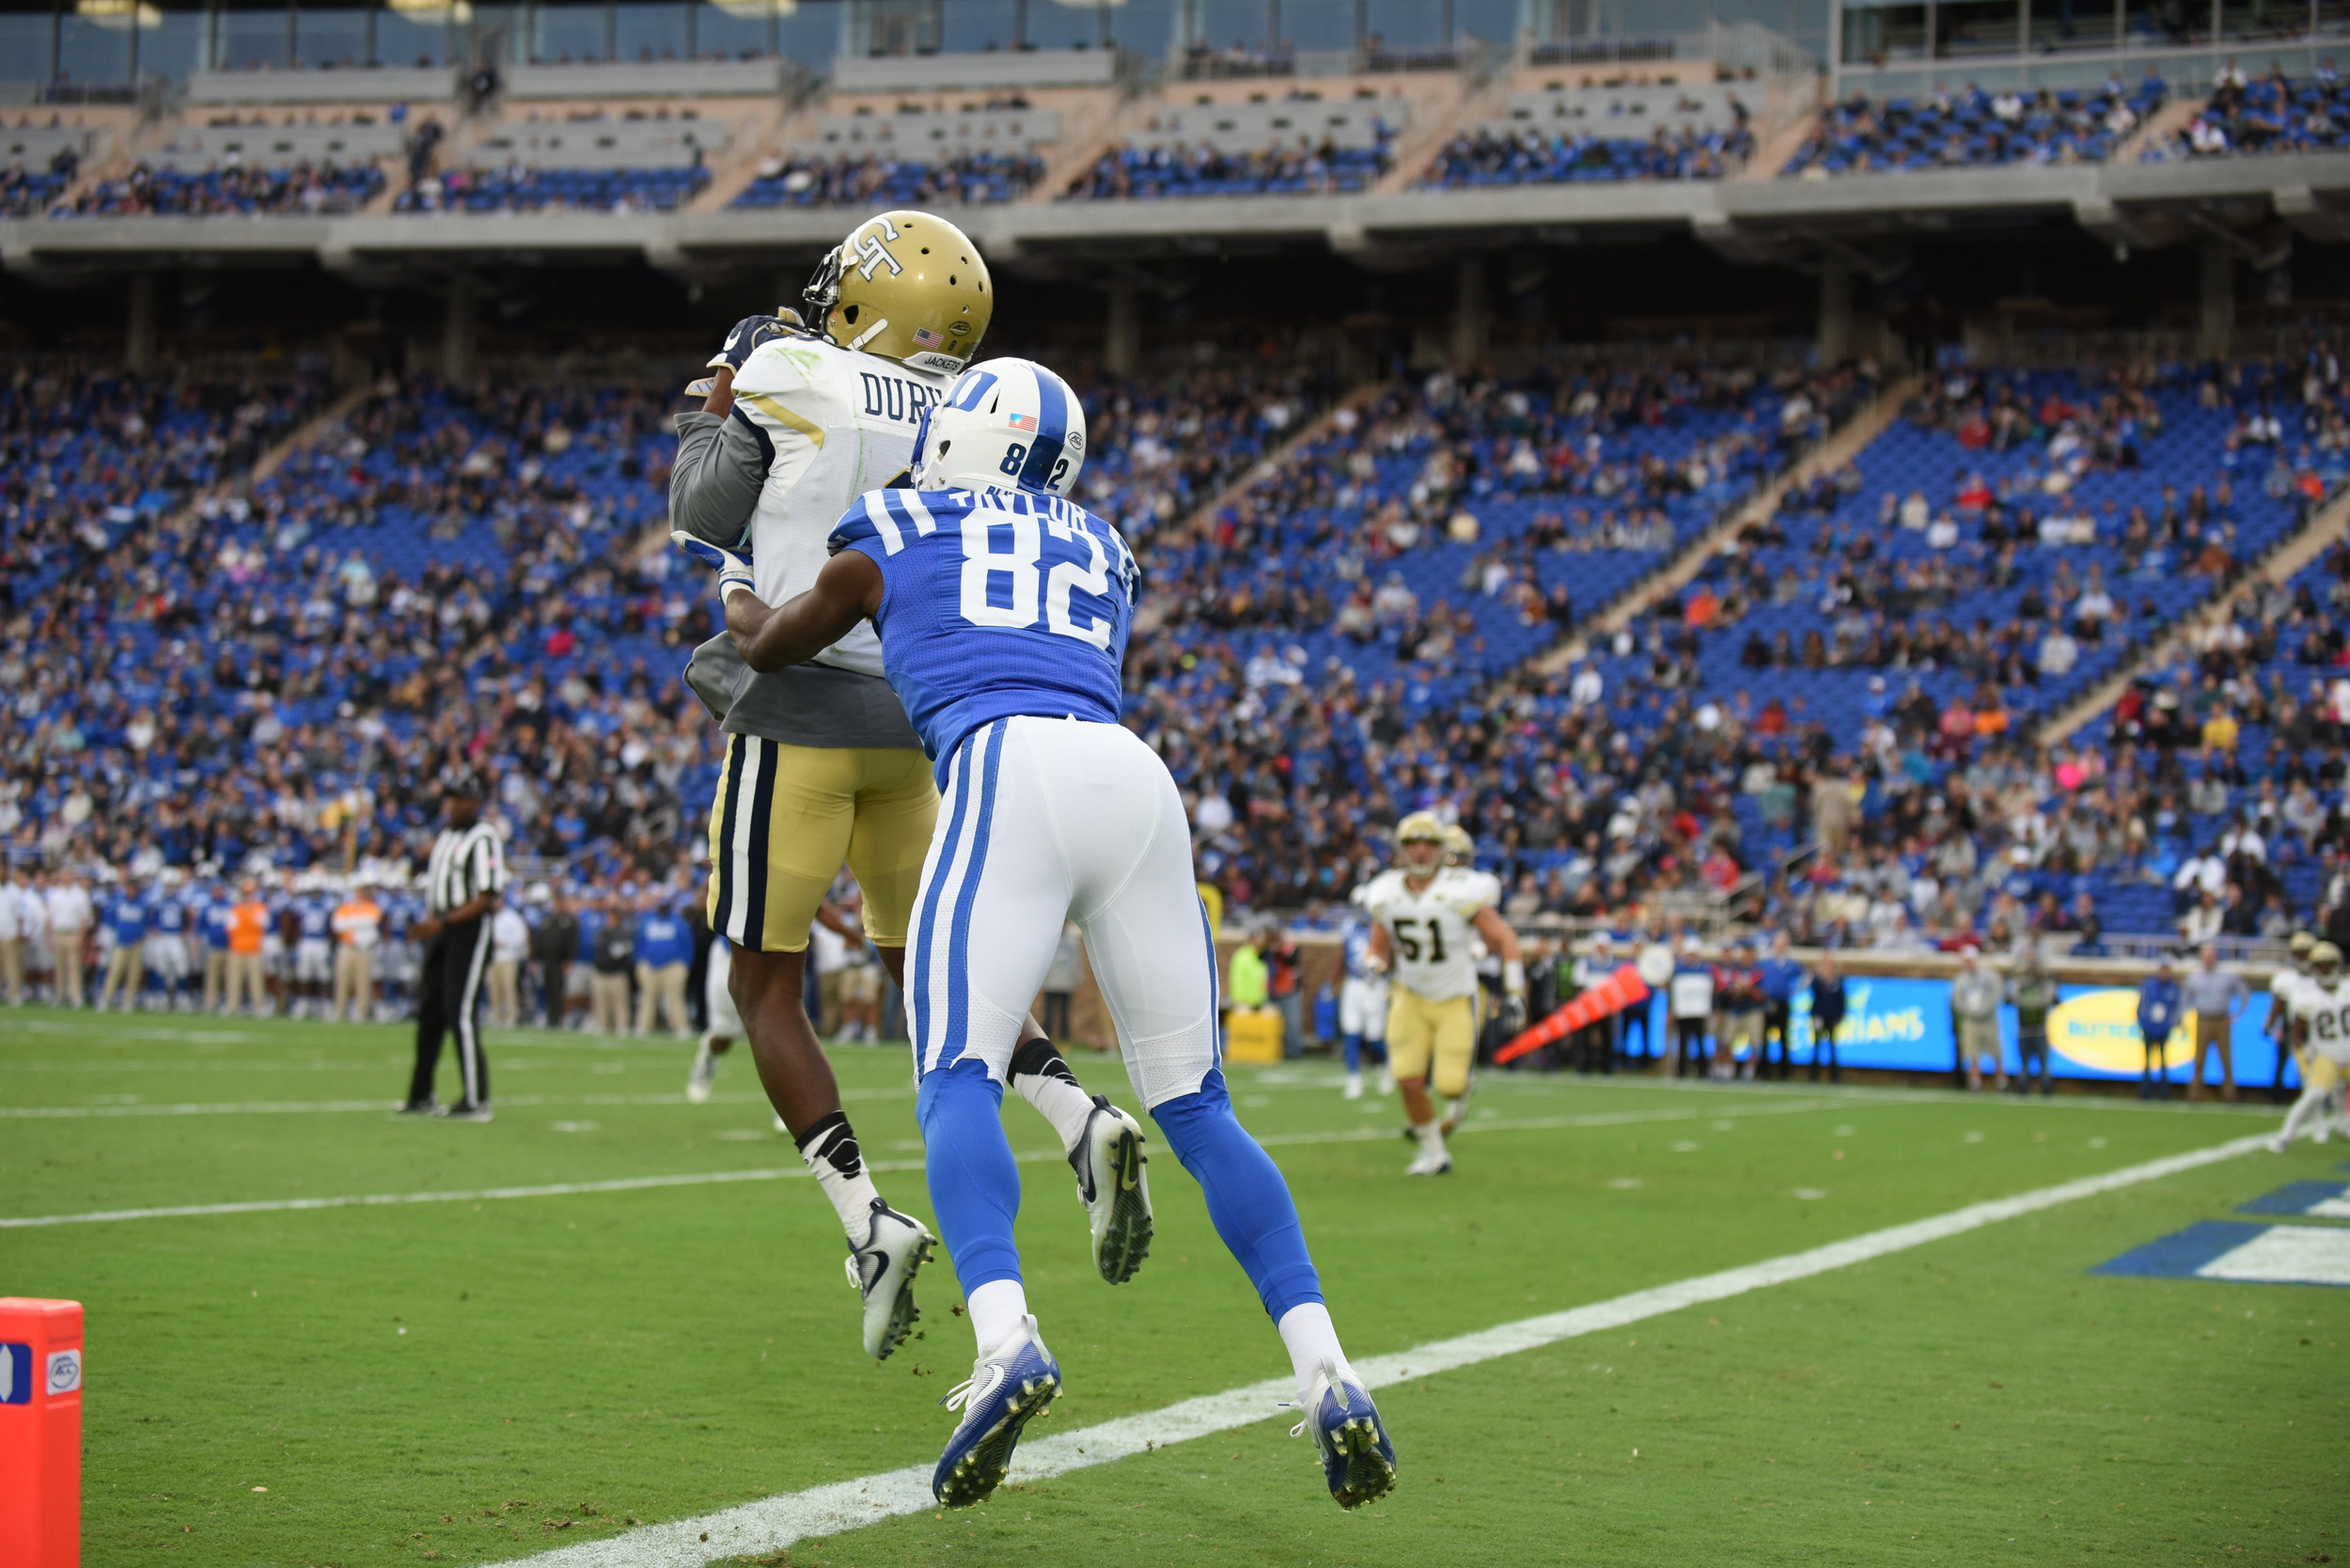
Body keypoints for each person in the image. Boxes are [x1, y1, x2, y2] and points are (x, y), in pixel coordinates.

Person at [713, 354, 1394, 1512]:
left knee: (956, 1078)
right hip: (1133, 780)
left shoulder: (900, 516)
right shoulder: (1103, 544)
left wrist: (734, 587)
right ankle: (1326, 1365)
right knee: (1199, 1109)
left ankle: (1004, 1340)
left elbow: (778, 642)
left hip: (1004, 769)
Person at [668, 212, 1134, 1361]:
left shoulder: (794, 369)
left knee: (764, 985)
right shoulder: (972, 407)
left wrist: (720, 394)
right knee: (921, 964)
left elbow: (699, 508)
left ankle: (866, 1219)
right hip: (920, 718)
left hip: (797, 709)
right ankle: (1079, 1115)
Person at [1357, 812, 1528, 1175]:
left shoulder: (1461, 889)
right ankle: (1434, 1152)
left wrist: (1515, 989)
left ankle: (1461, 1091)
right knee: (1407, 1077)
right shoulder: (1386, 892)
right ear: (1401, 850)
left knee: (1450, 1085)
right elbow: (1379, 944)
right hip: (1410, 994)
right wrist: (1373, 963)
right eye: (1412, 844)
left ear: (1440, 849)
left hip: (1454, 996)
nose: (1420, 852)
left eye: (1429, 844)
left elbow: (1505, 938)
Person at [399, 770, 505, 1121]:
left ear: (475, 803)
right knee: (429, 1011)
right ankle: (421, 1095)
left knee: (460, 1011)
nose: (452, 805)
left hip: (468, 930)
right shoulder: (445, 836)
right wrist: (432, 923)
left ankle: (476, 1099)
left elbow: (487, 896)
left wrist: (441, 923)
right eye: (451, 798)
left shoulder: (484, 837)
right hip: (442, 926)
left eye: (459, 799)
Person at [2274, 941, 2350, 1151]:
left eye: (2329, 964)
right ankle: (2285, 1137)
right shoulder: (2307, 995)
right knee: (2313, 1095)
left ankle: (2343, 1125)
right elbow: (2297, 1030)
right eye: (2321, 965)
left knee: (2338, 1093)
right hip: (2327, 1056)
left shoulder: (2347, 987)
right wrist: (2305, 1049)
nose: (2326, 970)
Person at [2182, 941, 2248, 1102]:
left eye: (2211, 956)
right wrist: (2183, 1018)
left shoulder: (2227, 975)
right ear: (2201, 958)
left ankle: (2230, 1097)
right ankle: (2194, 1096)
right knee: (2199, 1060)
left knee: (2226, 1060)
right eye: (2206, 956)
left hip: (2221, 1020)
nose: (2209, 959)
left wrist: (2237, 1014)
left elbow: (2244, 993)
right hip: (2203, 1019)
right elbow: (2185, 999)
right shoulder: (2194, 977)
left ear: (2216, 957)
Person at [1335, 912, 1390, 1099]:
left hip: (1374, 985)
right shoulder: (1350, 926)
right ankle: (1354, 1080)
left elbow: (1391, 956)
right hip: (1353, 983)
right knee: (1351, 1032)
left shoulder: (1382, 927)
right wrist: (1335, 981)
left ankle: (1388, 1067)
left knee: (1375, 1037)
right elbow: (1343, 955)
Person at [633, 896, 695, 1038]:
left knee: (675, 998)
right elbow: (639, 943)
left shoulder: (679, 923)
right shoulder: (647, 921)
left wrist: (685, 964)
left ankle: (681, 1027)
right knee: (647, 998)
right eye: (661, 906)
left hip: (673, 966)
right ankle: (644, 1027)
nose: (663, 909)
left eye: (665, 906)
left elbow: (688, 945)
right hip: (649, 965)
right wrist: (640, 962)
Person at [1951, 947, 2007, 1091]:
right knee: (1972, 1053)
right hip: (1971, 1020)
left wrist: (1984, 1009)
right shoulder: (1961, 979)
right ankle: (1976, 1082)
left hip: (1988, 1019)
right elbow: (1957, 1000)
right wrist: (1970, 1012)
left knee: (1996, 1052)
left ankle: (2001, 1081)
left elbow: (1997, 993)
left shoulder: (1988, 976)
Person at [2008, 939, 2057, 1096]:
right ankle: (2024, 1090)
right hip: (2024, 1030)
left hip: (2040, 1029)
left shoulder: (2044, 982)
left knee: (2043, 1066)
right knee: (2024, 1066)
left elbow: (2050, 998)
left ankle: (2046, 1090)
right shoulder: (2019, 982)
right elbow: (2011, 997)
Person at [332, 884, 384, 1025]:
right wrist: (360, 923)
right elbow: (338, 925)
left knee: (363, 981)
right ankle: (340, 1011)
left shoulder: (372, 906)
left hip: (364, 948)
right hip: (347, 946)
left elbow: (372, 921)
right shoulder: (346, 906)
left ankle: (362, 1012)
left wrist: (351, 923)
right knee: (343, 980)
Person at [1757, 931, 1804, 1081]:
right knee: (1764, 1038)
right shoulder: (1765, 963)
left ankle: (1785, 1071)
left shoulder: (1791, 964)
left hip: (1783, 1003)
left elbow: (1805, 977)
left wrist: (1794, 991)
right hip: (1768, 1003)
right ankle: (1764, 1070)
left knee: (1784, 1037)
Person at [96, 879, 148, 1012]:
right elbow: (111, 920)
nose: (130, 891)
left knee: (133, 973)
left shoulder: (142, 904)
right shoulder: (119, 902)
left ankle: (128, 1001)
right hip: (121, 941)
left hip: (137, 942)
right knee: (115, 971)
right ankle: (106, 998)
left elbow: (146, 922)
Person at [1668, 938, 1716, 1077]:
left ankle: (1703, 1070)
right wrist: (1672, 1010)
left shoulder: (1705, 970)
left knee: (1700, 1042)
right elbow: (1674, 993)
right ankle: (1681, 1070)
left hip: (1699, 1012)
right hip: (1683, 1012)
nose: (1691, 957)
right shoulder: (1679, 970)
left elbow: (1709, 991)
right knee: (1682, 1042)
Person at [2138, 958, 2182, 1100]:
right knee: (2147, 1062)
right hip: (2149, 1028)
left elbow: (2176, 1009)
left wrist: (2170, 1025)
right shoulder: (2149, 985)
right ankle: (2145, 1093)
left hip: (2164, 1030)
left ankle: (2164, 1094)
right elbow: (2142, 1006)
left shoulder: (2174, 988)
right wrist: (2144, 1023)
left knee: (2163, 1062)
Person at [45, 872, 91, 1010]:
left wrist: (81, 937)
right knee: (59, 967)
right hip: (58, 932)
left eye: (69, 876)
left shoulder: (80, 895)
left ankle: (75, 996)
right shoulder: (55, 894)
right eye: (64, 876)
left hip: (73, 933)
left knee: (74, 967)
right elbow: (50, 917)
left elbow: (84, 919)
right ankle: (60, 995)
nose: (66, 878)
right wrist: (49, 936)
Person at [533, 891, 579, 1028]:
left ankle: (558, 1017)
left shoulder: (568, 921)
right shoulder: (548, 921)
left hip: (560, 961)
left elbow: (572, 942)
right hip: (547, 961)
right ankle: (550, 1016)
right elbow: (540, 940)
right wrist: (536, 958)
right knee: (548, 989)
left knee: (559, 990)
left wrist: (569, 959)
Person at [589, 900, 634, 1033]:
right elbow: (601, 951)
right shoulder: (601, 933)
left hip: (617, 974)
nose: (610, 919)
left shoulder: (623, 933)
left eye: (613, 917)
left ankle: (623, 1028)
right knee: (601, 1006)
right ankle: (602, 1027)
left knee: (620, 1005)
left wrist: (619, 951)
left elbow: (626, 952)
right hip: (601, 973)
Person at [486, 900, 530, 1028]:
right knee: (494, 989)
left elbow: (521, 937)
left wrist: (504, 943)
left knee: (509, 987)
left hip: (508, 957)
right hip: (493, 958)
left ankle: (512, 1017)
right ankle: (497, 1017)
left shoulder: (512, 917)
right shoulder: (490, 918)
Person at [1808, 955, 1846, 1082]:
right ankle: (1814, 1075)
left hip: (1832, 1017)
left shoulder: (1838, 980)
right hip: (1819, 1016)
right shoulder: (1817, 980)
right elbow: (1814, 992)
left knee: (1832, 1046)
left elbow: (1841, 999)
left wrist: (1840, 1015)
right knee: (1817, 1046)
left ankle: (1835, 1076)